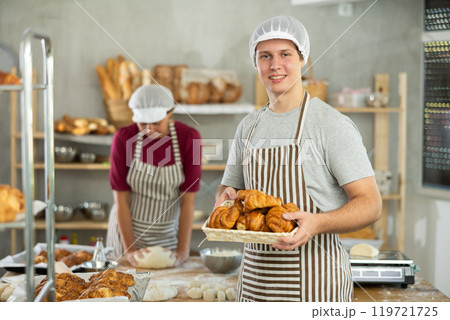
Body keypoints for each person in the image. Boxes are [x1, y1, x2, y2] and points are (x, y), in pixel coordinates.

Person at [215, 16, 382, 302]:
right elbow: (228, 188)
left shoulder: (331, 124)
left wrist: (318, 223)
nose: (274, 65)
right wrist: (225, 198)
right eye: (264, 56)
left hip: (316, 286)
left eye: (285, 55)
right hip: (256, 284)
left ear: (303, 59)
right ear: (255, 64)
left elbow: (371, 204)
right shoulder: (249, 126)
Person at [106, 84, 202, 267]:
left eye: (157, 123)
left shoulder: (189, 138)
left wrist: (182, 251)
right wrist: (130, 250)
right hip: (125, 236)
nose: (149, 130)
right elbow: (121, 201)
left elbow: (187, 201)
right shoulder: (124, 138)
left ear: (170, 112)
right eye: (143, 124)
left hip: (165, 236)